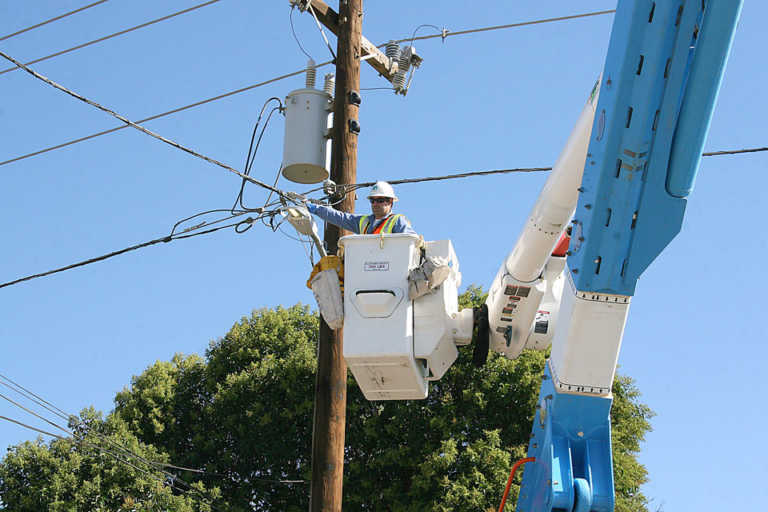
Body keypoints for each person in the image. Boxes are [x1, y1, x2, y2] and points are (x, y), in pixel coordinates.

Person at [305, 181, 416, 235]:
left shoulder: (397, 221)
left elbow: (412, 242)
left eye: (380, 200)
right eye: (373, 200)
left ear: (390, 202)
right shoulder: (364, 222)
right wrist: (316, 209)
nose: (375, 204)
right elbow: (340, 218)